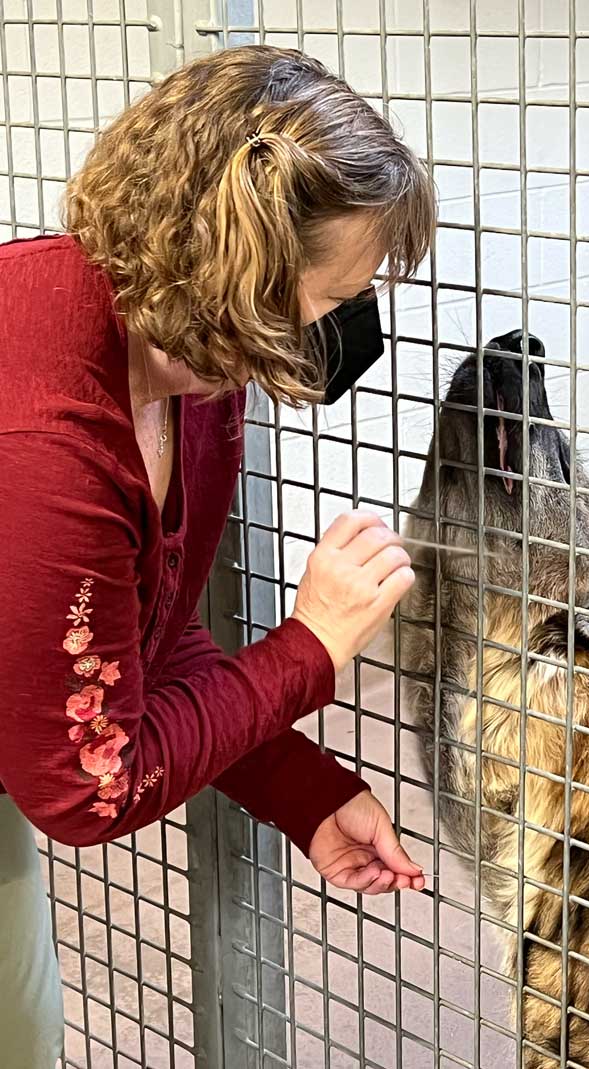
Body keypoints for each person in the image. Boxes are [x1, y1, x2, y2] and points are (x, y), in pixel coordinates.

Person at [0, 45, 436, 1069]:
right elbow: (86, 787)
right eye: (333, 300)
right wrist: (310, 649)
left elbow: (136, 646)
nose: (343, 330)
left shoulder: (195, 371)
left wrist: (301, 786)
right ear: (241, 279)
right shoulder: (47, 436)